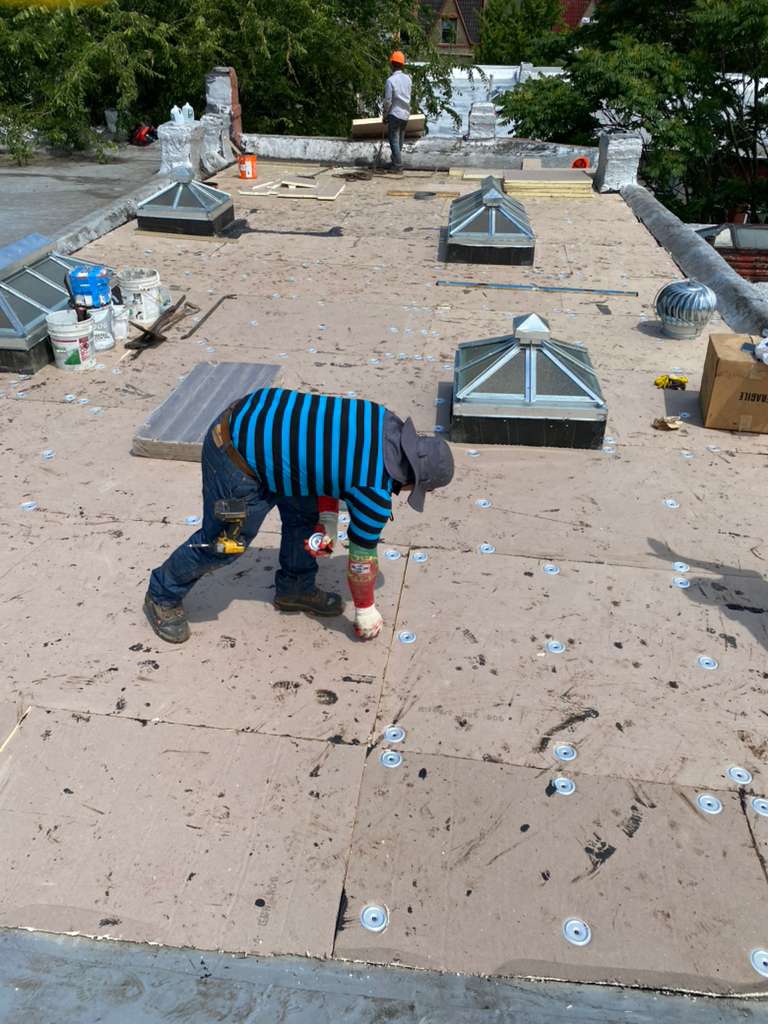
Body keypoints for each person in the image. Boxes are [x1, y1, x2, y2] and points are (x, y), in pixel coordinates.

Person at [144, 388, 454, 644]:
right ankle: (162, 594)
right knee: (225, 543)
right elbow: (362, 563)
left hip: (263, 422)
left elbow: (331, 463)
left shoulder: (384, 419)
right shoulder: (374, 491)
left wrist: (327, 518)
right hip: (236, 453)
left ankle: (295, 587)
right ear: (415, 482)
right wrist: (365, 610)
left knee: (304, 516)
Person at [383, 50, 412, 174]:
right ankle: (395, 162)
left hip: (395, 113)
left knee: (393, 140)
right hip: (405, 114)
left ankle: (398, 165)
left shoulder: (390, 81)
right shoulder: (408, 79)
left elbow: (388, 101)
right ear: (402, 65)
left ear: (392, 64)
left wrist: (385, 115)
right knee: (399, 140)